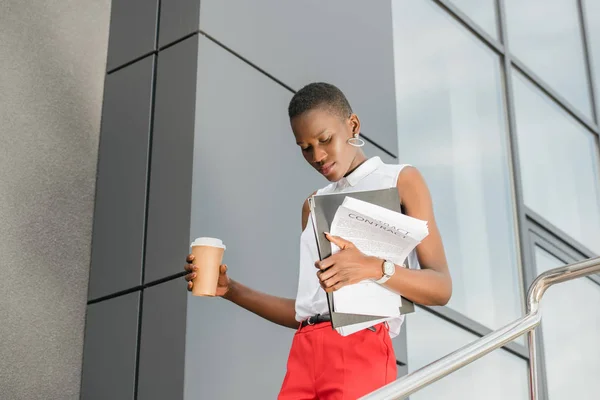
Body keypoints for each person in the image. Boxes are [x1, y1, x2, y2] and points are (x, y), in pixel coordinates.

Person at [183, 82, 452, 399]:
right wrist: (231, 291)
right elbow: (306, 312)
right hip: (304, 350)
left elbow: (441, 288)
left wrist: (373, 268)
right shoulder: (312, 205)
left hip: (360, 346)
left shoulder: (399, 180)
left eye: (325, 139)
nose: (318, 155)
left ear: (352, 125)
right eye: (305, 147)